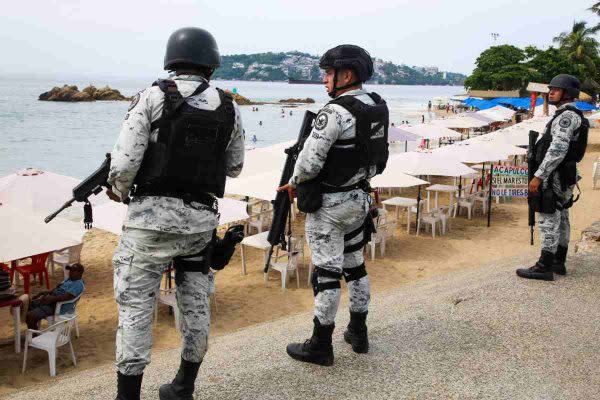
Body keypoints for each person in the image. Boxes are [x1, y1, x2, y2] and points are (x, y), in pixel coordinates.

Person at [106, 27, 244, 400]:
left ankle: (128, 394)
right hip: (199, 225)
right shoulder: (229, 106)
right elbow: (234, 167)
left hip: (149, 225)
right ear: (210, 64)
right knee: (196, 303)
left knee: (136, 308)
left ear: (172, 60)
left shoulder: (151, 97)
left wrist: (118, 193)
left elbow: (123, 164)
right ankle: (184, 385)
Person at [278, 44, 388, 366]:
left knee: (326, 274)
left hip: (329, 206)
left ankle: (320, 344)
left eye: (328, 73)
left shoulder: (335, 111)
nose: (324, 79)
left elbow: (310, 162)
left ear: (347, 74)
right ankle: (358, 331)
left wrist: (294, 183)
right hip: (359, 198)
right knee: (356, 267)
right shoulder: (376, 106)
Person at [516, 74, 588, 281]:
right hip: (564, 173)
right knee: (562, 216)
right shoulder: (571, 115)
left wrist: (538, 176)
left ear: (568, 93)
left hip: (555, 175)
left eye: (557, 89)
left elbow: (557, 149)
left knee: (548, 217)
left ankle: (544, 266)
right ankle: (558, 262)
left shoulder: (566, 116)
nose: (551, 92)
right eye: (551, 89)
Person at [23, 263, 85, 330]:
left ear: (80, 273)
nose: (70, 272)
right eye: (70, 270)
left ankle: (34, 336)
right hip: (51, 301)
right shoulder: (69, 279)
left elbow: (66, 297)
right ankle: (33, 331)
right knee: (26, 306)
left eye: (73, 271)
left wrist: (51, 299)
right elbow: (56, 289)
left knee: (30, 316)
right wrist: (42, 293)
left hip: (58, 306)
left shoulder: (77, 284)